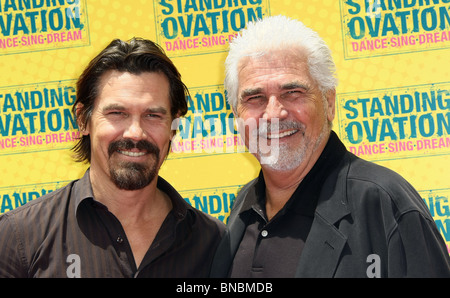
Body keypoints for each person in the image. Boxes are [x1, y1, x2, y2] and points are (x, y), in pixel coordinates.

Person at [210, 15, 450, 278]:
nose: (274, 114)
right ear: (237, 116)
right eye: (255, 98)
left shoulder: (385, 206)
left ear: (329, 103)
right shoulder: (243, 208)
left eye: (293, 93)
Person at [0, 38, 225, 278]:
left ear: (173, 126)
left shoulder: (214, 243)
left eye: (153, 115)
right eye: (117, 113)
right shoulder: (20, 237)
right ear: (82, 119)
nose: (136, 133)